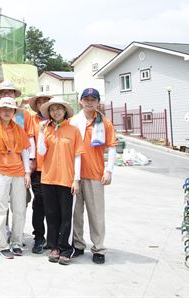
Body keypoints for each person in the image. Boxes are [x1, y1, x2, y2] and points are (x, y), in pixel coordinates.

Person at [70, 88, 117, 264]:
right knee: (76, 212)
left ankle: (98, 248)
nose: (89, 102)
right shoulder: (73, 121)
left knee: (96, 213)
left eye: (93, 99)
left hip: (95, 173)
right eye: (86, 99)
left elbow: (111, 147)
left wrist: (109, 170)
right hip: (74, 174)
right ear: (80, 101)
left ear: (98, 102)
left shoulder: (104, 122)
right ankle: (78, 245)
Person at [36, 97, 84, 265]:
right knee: (51, 214)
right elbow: (41, 151)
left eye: (59, 108)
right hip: (48, 178)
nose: (56, 111)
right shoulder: (45, 130)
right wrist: (41, 132)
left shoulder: (74, 130)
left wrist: (76, 179)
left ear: (65, 111)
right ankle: (54, 246)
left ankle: (65, 248)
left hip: (67, 179)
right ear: (49, 113)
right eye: (52, 109)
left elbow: (78, 156)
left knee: (66, 216)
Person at [0, 97, 32, 258]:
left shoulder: (19, 129)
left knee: (19, 209)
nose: (6, 112)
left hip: (18, 173)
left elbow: (25, 151)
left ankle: (17, 242)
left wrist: (27, 172)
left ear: (14, 112)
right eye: (3, 109)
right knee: (1, 210)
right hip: (0, 172)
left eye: (10, 109)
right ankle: (2, 244)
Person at [27, 91, 53, 253]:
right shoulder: (32, 120)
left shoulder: (59, 120)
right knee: (39, 203)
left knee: (54, 205)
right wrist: (31, 158)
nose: (42, 104)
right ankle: (38, 237)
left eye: (46, 101)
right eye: (40, 101)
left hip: (57, 169)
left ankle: (53, 238)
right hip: (39, 169)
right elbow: (31, 140)